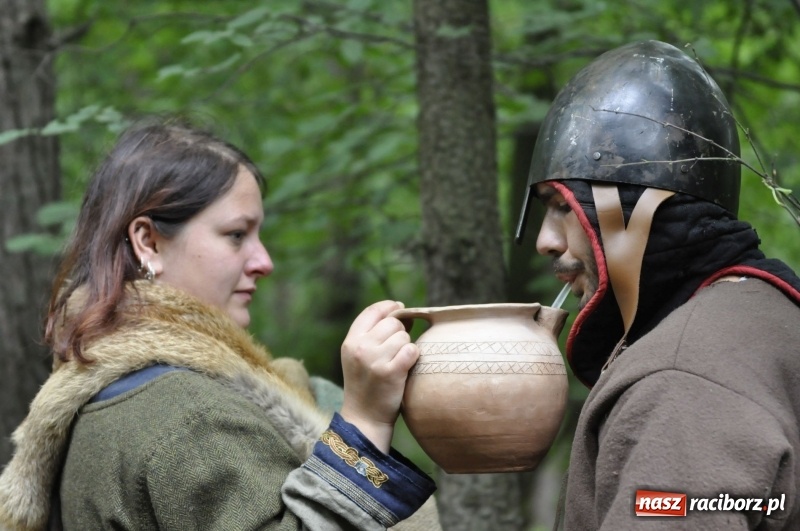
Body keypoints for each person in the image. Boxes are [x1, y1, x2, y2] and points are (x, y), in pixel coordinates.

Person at [0, 120, 440, 530]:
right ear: (147, 241)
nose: (264, 261)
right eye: (236, 235)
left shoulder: (106, 387)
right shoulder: (189, 416)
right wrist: (364, 423)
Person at [515, 40, 800, 529]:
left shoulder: (679, 381)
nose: (544, 240)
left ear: (633, 211)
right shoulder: (768, 312)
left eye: (564, 205)